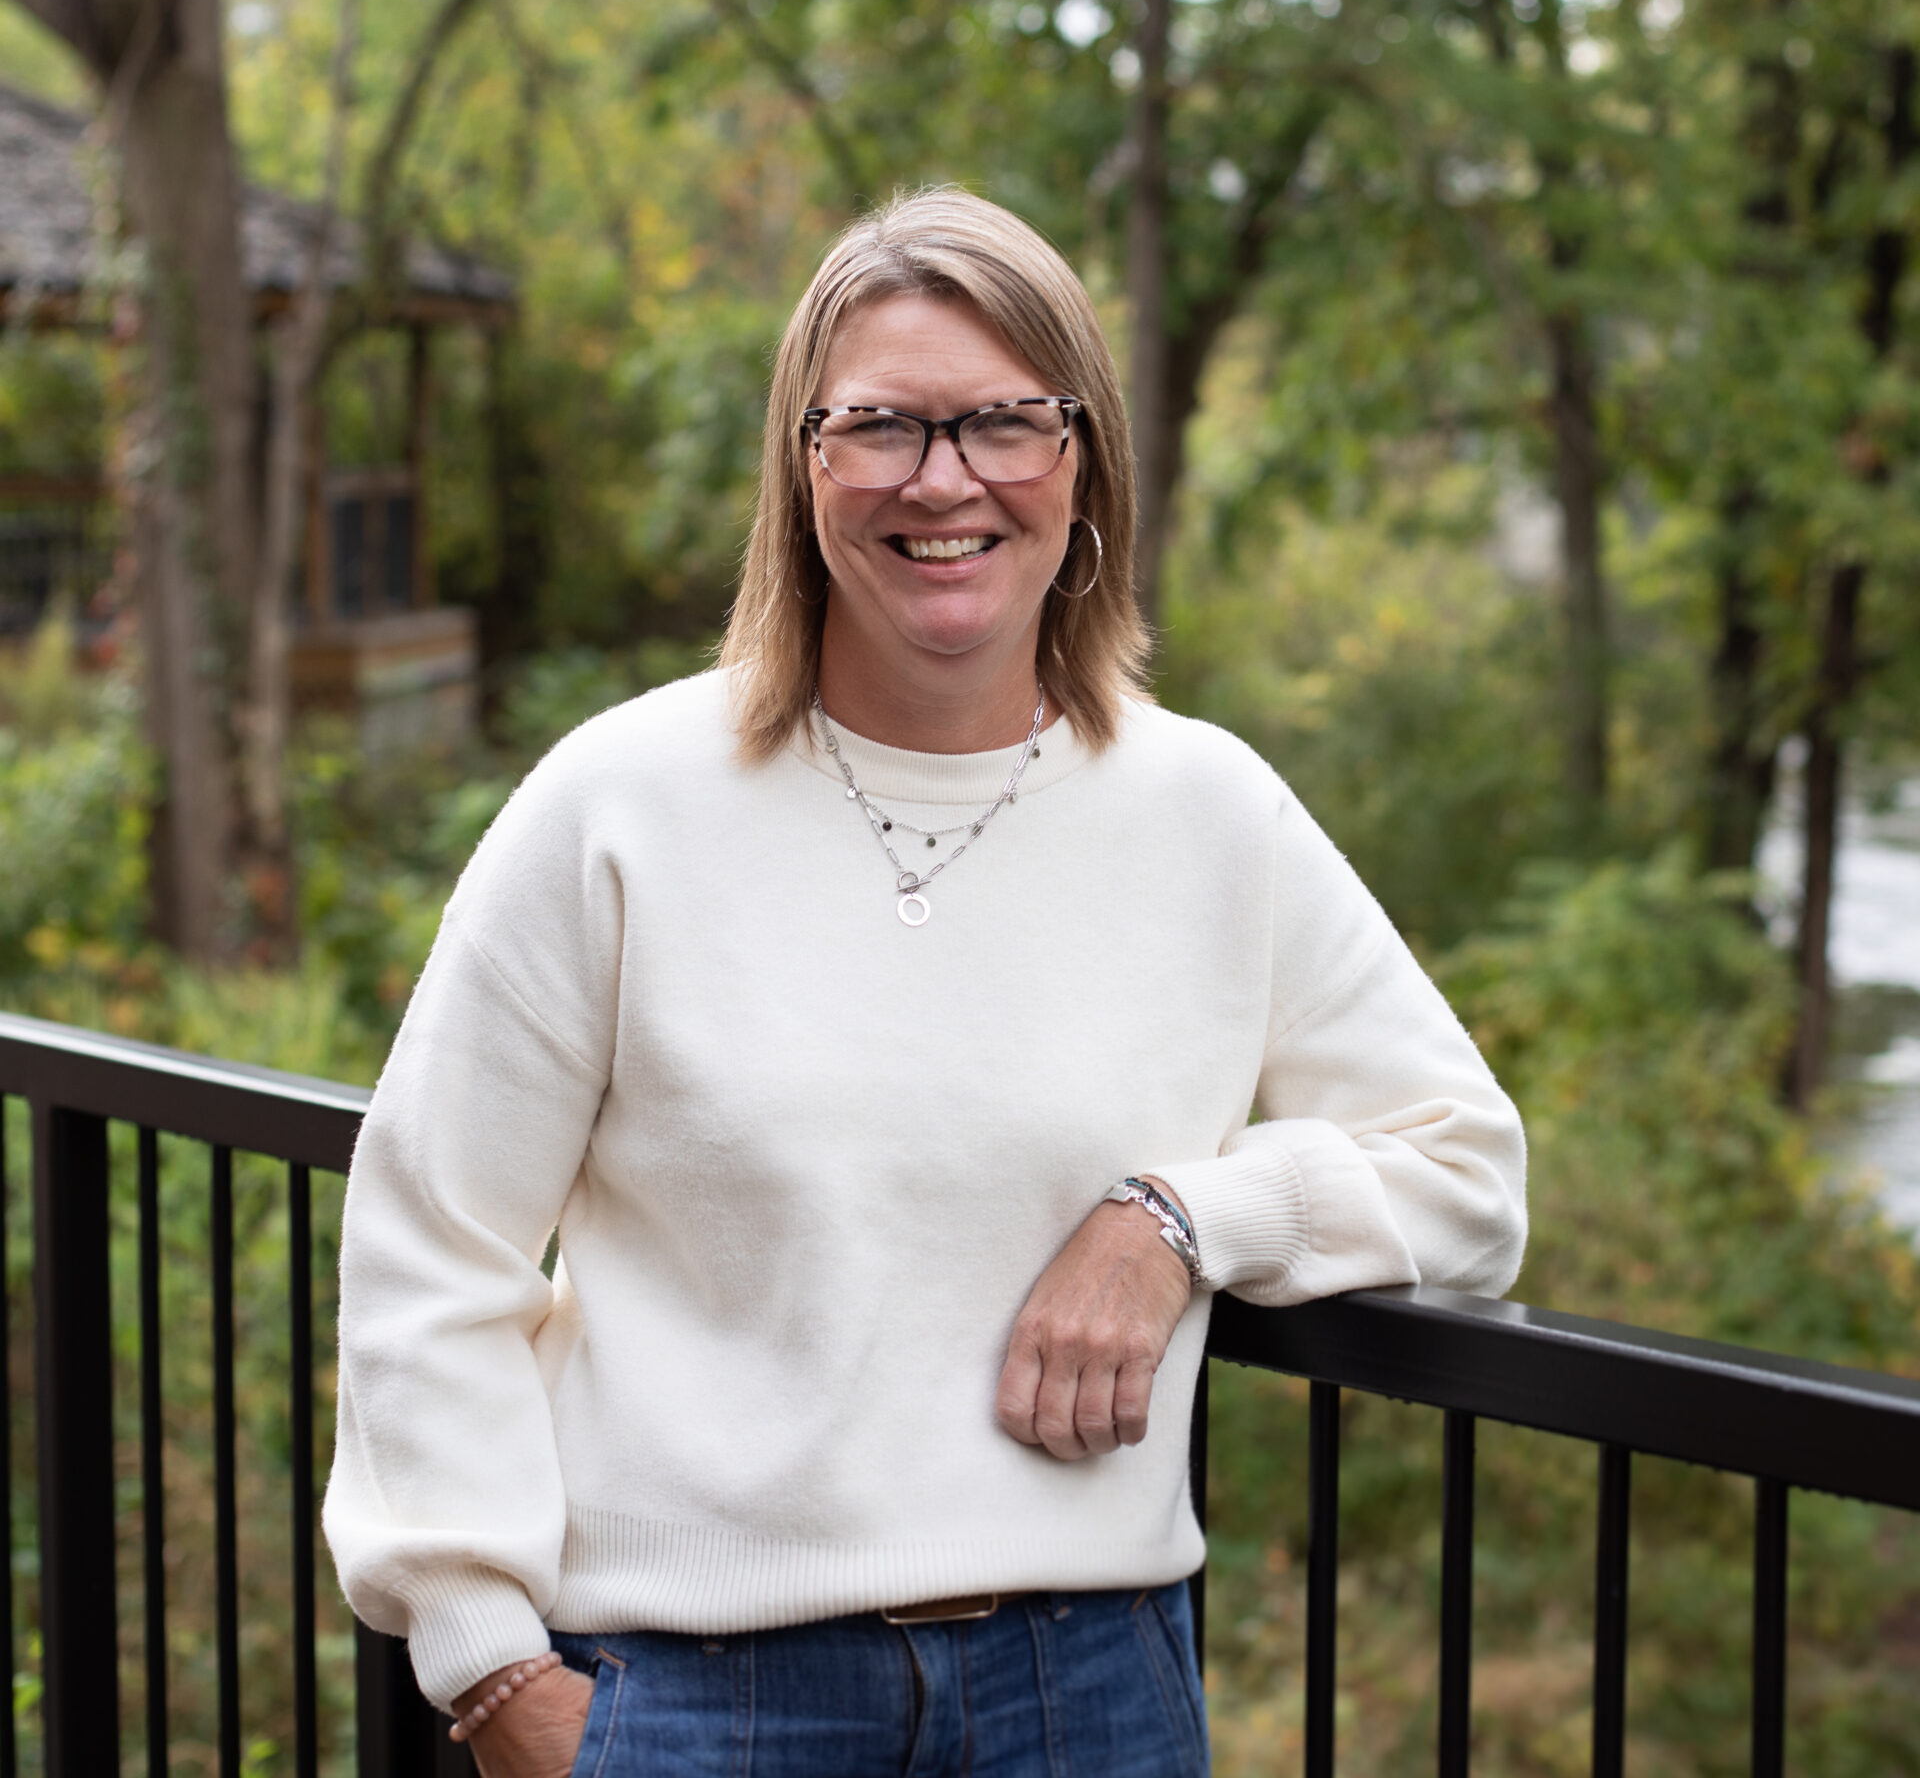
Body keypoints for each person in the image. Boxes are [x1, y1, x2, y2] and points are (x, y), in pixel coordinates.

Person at [323, 188, 1526, 1778]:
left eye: (1004, 424)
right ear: (802, 467)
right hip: (692, 1698)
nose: (943, 480)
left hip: (1086, 1694)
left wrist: (1182, 1223)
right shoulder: (619, 805)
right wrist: (489, 1670)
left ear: (1079, 463)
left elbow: (1468, 1176)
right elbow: (432, 1240)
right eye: (880, 426)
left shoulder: (1208, 813)